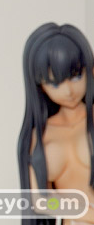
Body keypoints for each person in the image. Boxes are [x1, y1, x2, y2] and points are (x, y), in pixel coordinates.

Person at [18, 23, 94, 224]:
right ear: (40, 86)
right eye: (54, 83)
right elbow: (40, 202)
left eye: (76, 76)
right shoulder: (39, 137)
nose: (68, 91)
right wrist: (81, 211)